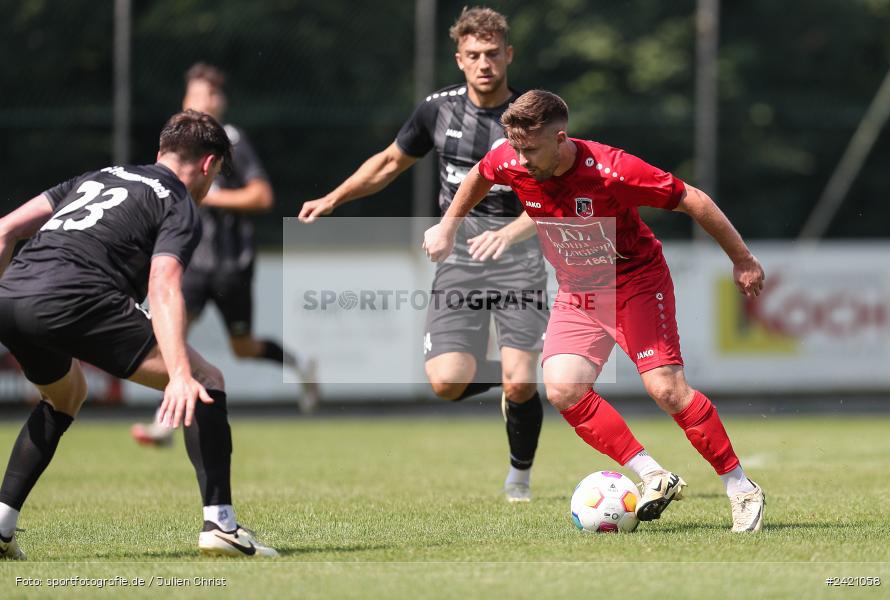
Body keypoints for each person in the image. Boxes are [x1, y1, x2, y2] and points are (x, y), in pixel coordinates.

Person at [423, 90, 767, 532]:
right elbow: (479, 174)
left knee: (666, 390)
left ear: (560, 138)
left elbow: (693, 199)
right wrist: (448, 226)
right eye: (516, 148)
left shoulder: (613, 170)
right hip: (579, 292)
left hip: (636, 282)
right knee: (564, 389)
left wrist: (742, 260)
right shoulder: (512, 158)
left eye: (530, 149)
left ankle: (741, 487)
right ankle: (652, 475)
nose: (521, 160)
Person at [0, 110, 277, 559]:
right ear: (208, 165)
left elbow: (5, 229)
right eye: (217, 174)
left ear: (161, 152)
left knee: (66, 395)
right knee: (207, 382)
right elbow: (164, 284)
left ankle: (1, 525)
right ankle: (220, 525)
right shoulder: (179, 203)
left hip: (11, 295)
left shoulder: (98, 176)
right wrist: (182, 374)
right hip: (78, 296)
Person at [299, 7, 548, 503]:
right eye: (474, 55)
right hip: (459, 264)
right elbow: (390, 162)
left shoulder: (534, 116)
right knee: (447, 382)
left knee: (520, 385)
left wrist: (511, 234)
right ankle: (514, 382)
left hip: (520, 264)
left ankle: (518, 475)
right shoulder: (437, 110)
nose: (484, 64)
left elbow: (557, 200)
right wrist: (334, 197)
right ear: (459, 58)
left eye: (493, 54)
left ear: (509, 55)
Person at [132, 64, 318, 448]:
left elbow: (262, 196)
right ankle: (165, 423)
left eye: (209, 96)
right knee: (172, 336)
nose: (202, 103)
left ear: (221, 101)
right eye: (195, 96)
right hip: (192, 263)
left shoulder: (231, 140)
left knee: (242, 347)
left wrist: (214, 197)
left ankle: (300, 365)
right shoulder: (178, 142)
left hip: (231, 264)